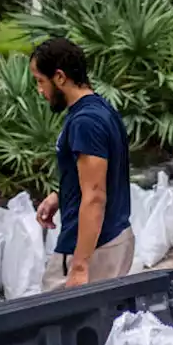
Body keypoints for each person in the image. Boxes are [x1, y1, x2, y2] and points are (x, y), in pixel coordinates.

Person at [31, 38, 132, 288]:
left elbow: (95, 196)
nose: (39, 90)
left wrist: (79, 266)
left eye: (40, 81)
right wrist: (60, 195)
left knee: (59, 322)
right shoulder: (100, 110)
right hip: (111, 238)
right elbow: (98, 176)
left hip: (96, 247)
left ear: (60, 77)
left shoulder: (85, 122)